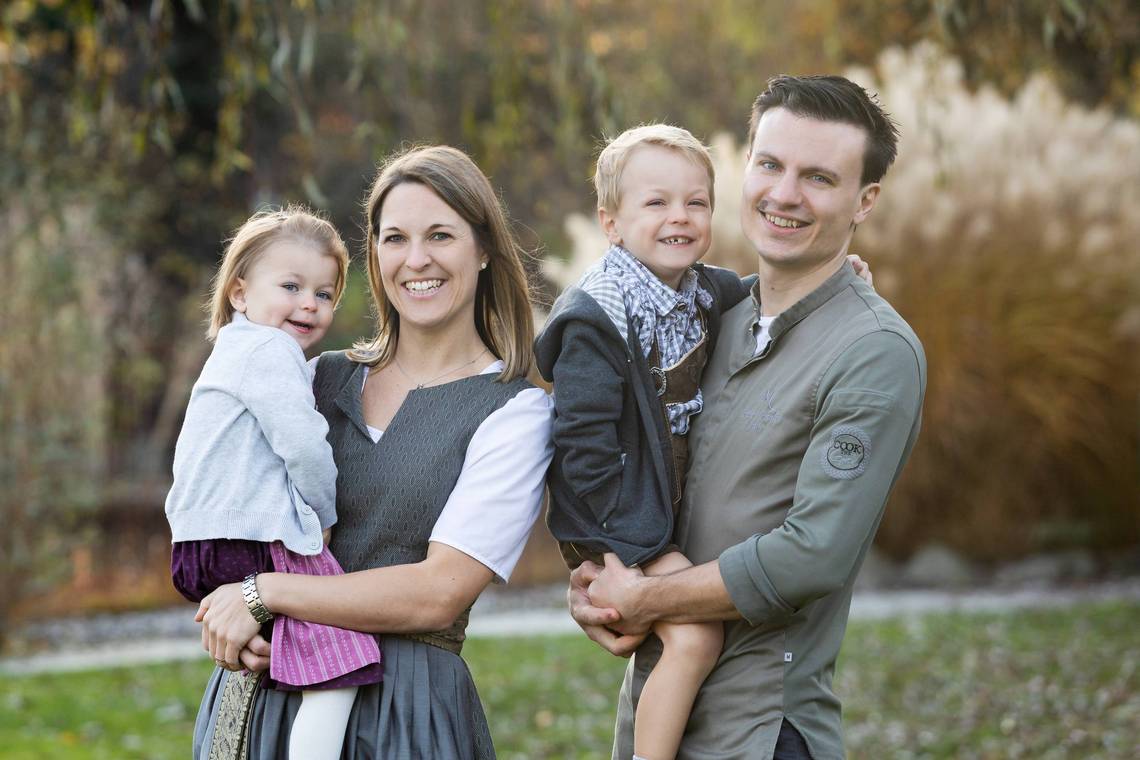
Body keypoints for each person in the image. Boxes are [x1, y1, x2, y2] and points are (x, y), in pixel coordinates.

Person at [570, 75, 927, 760]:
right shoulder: (708, 318)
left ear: (865, 201)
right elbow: (640, 476)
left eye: (819, 177)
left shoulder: (874, 352)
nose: (784, 194)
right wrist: (600, 585)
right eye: (769, 165)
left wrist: (650, 600)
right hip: (654, 722)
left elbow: (811, 555)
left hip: (763, 733)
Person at [191, 145, 554, 760]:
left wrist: (263, 594)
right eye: (395, 239)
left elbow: (438, 592)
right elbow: (225, 501)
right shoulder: (312, 378)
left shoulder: (514, 411)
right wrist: (229, 617)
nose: (417, 260)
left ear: (485, 249)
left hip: (405, 707)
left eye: (440, 235)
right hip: (264, 698)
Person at [536, 124, 744, 760]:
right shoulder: (596, 321)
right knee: (697, 633)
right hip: (612, 509)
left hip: (647, 502)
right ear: (612, 222)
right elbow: (583, 448)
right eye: (656, 203)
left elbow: (768, 298)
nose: (679, 217)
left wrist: (832, 280)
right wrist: (643, 543)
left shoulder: (703, 289)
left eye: (697, 202)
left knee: (674, 629)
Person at [164, 206, 381, 760]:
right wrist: (323, 517)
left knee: (274, 651)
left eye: (325, 293)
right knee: (341, 668)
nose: (309, 303)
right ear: (239, 293)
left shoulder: (231, 352)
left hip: (201, 542)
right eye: (290, 286)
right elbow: (305, 445)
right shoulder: (270, 351)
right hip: (253, 539)